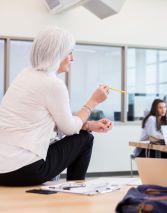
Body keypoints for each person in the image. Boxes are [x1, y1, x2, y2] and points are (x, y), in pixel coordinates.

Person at [0, 27, 113, 186]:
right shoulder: (53, 84)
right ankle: (76, 190)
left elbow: (49, 121)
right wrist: (94, 101)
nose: (72, 59)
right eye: (70, 53)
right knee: (85, 138)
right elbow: (69, 129)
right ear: (57, 54)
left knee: (83, 132)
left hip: (2, 170)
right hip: (25, 169)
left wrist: (87, 124)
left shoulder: (25, 74)